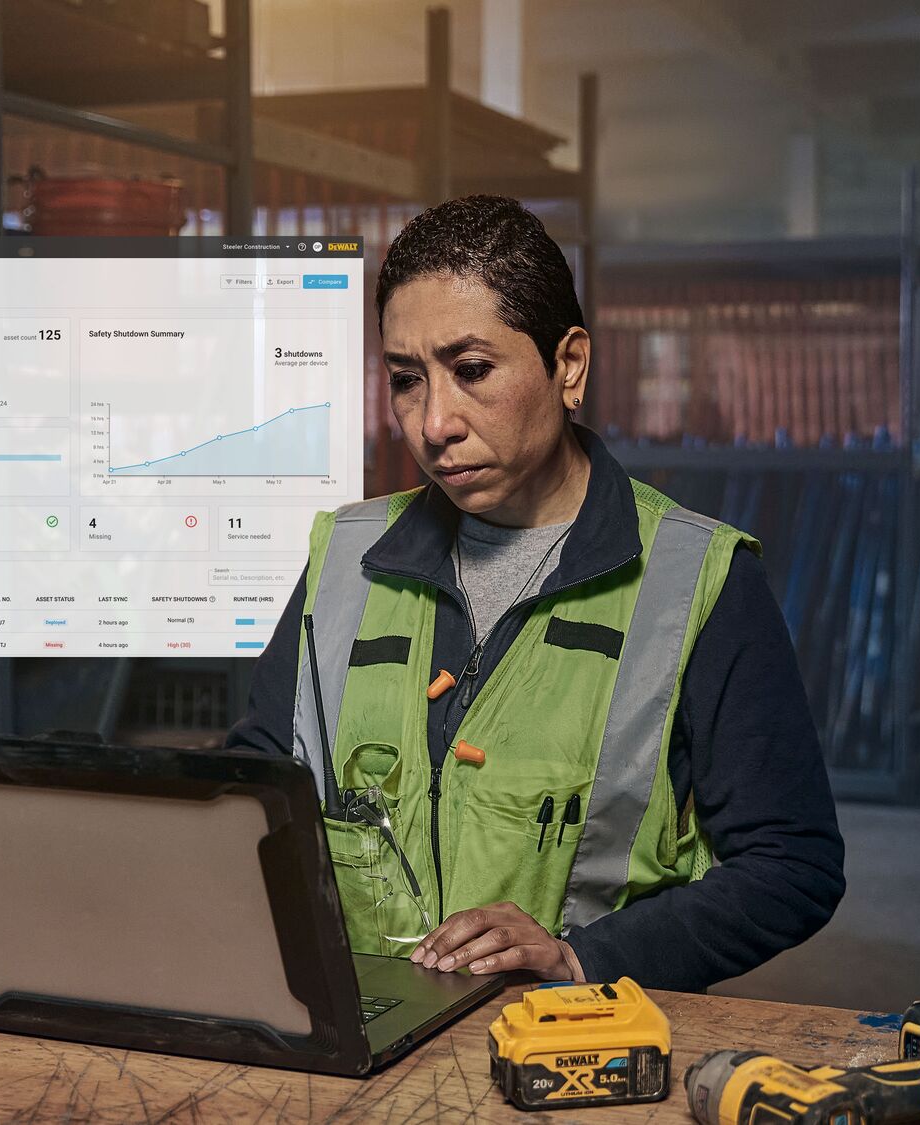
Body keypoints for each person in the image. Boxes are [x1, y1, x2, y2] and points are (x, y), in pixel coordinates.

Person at [227, 195, 844, 990]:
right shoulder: (344, 559)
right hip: (364, 1039)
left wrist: (586, 956)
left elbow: (793, 864)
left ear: (569, 366)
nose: (434, 421)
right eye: (407, 380)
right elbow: (255, 790)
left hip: (572, 1050)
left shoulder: (697, 581)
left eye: (472, 370)